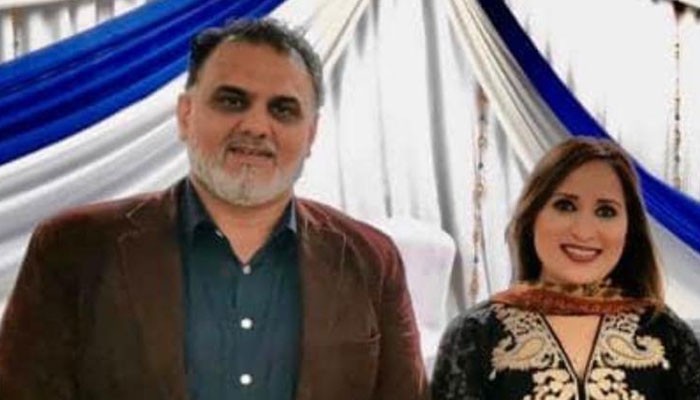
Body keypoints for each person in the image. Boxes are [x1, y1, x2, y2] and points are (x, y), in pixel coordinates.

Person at [0, 18, 428, 400]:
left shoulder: (371, 260)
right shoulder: (75, 248)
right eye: (232, 101)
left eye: (283, 109)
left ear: (311, 134)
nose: (256, 126)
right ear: (186, 115)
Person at [431, 137, 700, 399]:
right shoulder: (475, 335)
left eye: (606, 211)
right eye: (565, 206)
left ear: (629, 229)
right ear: (532, 216)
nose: (583, 232)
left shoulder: (667, 335)